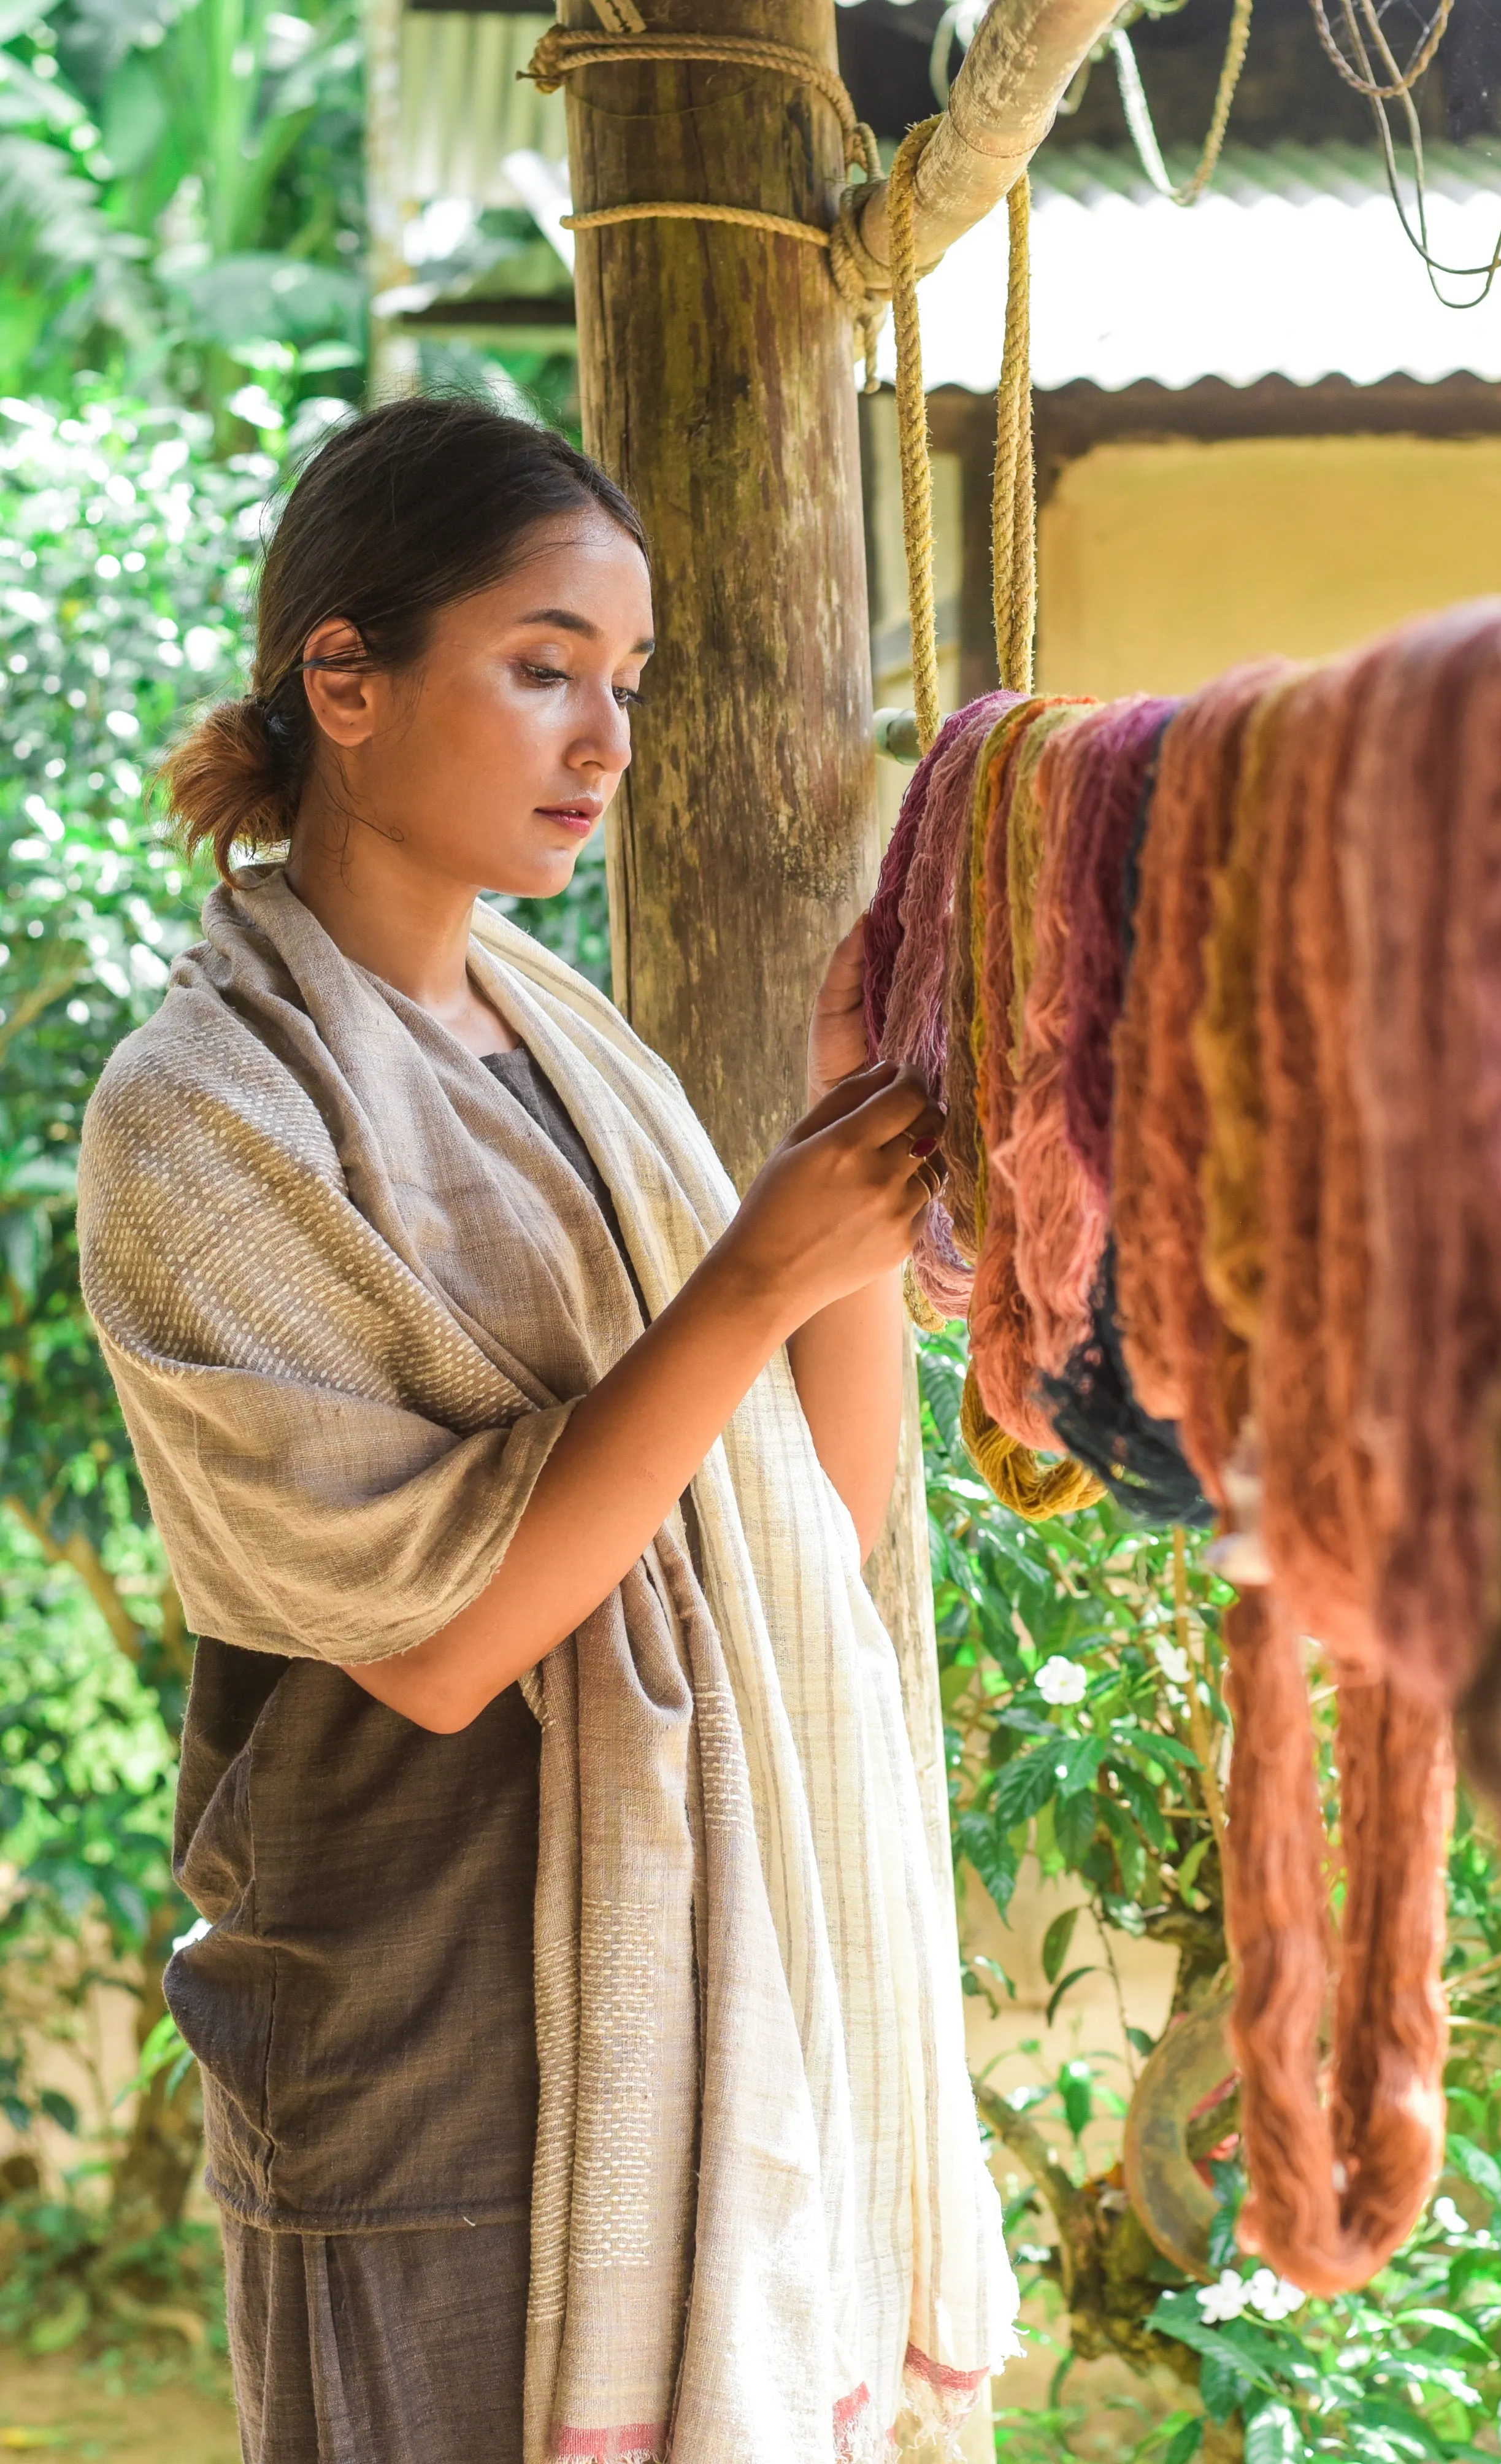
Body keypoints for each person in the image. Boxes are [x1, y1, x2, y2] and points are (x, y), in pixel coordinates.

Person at [75, 396, 1017, 2463]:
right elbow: (433, 1646)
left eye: (629, 684)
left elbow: (796, 1528)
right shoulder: (205, 1121)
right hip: (427, 2052)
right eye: (540, 671)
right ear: (346, 679)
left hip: (701, 2012)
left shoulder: (574, 1056)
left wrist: (836, 1181)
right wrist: (753, 1278)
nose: (605, 741)